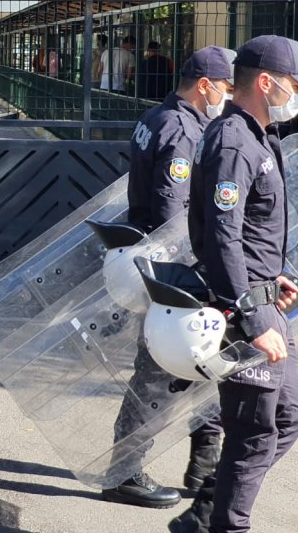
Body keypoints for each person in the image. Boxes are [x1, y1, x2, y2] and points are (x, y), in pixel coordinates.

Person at [171, 35, 298, 533]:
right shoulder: (233, 140)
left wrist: (274, 280)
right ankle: (223, 524)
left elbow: (247, 234)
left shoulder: (258, 136)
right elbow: (222, 238)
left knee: (285, 418)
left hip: (265, 300)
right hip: (244, 314)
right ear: (265, 82)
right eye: (294, 82)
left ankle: (204, 513)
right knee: (252, 432)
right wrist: (253, 315)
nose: (296, 92)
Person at [103, 47, 235, 511]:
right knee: (158, 374)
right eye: (227, 86)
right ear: (206, 85)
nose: (228, 96)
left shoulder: (157, 115)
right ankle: (124, 473)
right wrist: (199, 270)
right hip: (173, 266)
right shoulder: (182, 129)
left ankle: (203, 464)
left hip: (159, 260)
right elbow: (172, 213)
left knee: (203, 362)